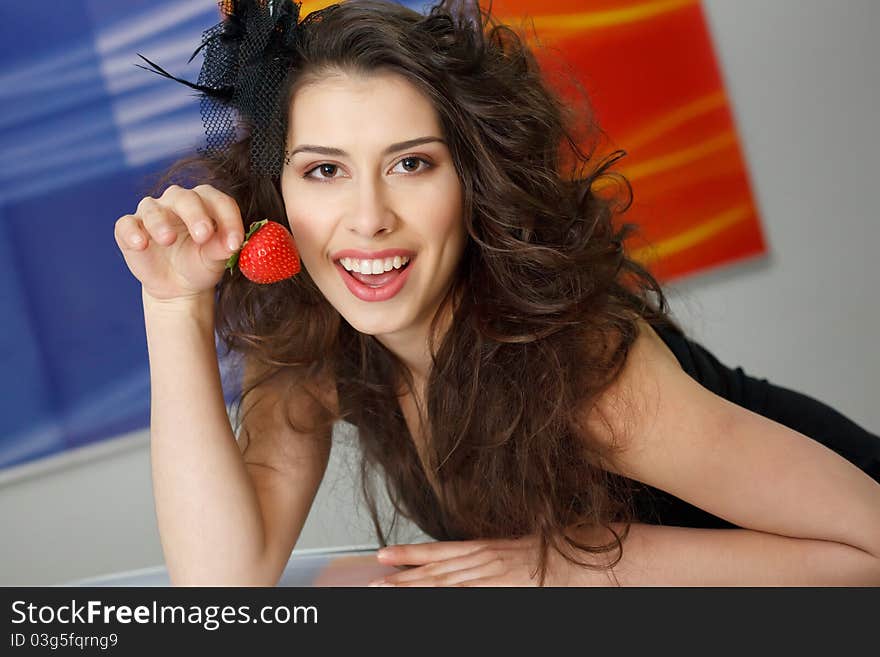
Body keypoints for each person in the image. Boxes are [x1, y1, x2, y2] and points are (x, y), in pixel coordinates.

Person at [114, 0, 880, 586]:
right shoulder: (316, 345)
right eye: (324, 170)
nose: (370, 219)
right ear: (277, 196)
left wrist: (569, 567)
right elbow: (222, 581)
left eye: (411, 163)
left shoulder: (588, 376)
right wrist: (175, 306)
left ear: (472, 183)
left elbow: (866, 543)